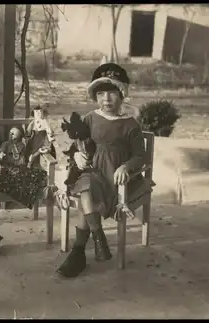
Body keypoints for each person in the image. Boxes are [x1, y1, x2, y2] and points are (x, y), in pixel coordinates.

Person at [56, 62, 153, 278]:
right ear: (95, 96)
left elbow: (141, 156)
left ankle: (78, 252)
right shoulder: (91, 118)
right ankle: (97, 236)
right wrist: (76, 154)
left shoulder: (130, 125)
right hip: (91, 172)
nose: (106, 99)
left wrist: (127, 166)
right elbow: (78, 143)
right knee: (85, 185)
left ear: (122, 95)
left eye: (112, 94)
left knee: (85, 195)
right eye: (100, 94)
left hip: (116, 178)